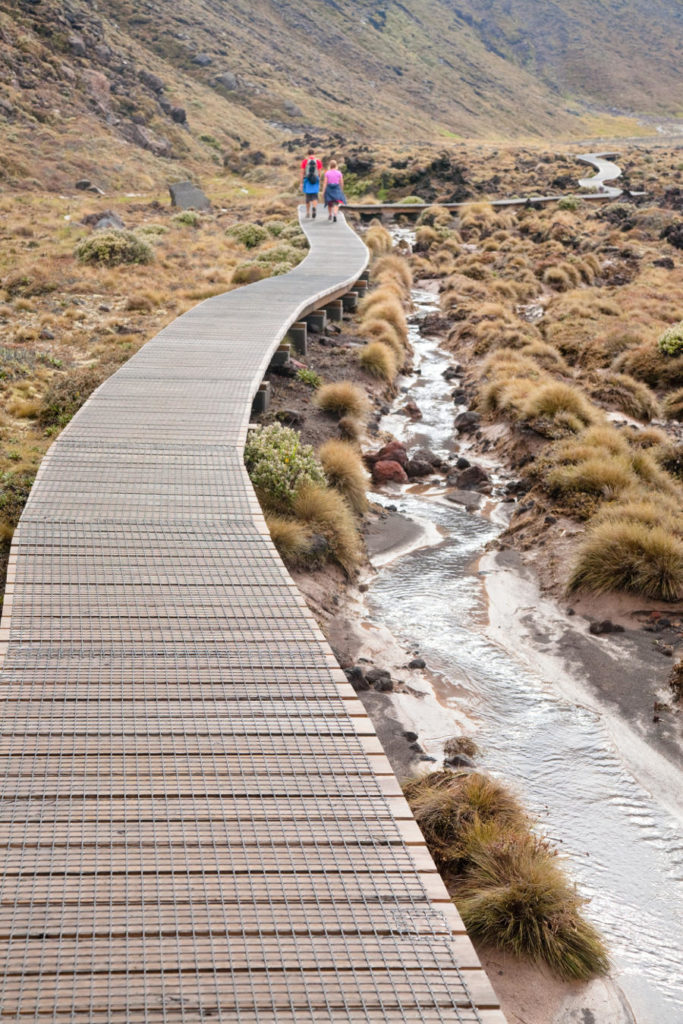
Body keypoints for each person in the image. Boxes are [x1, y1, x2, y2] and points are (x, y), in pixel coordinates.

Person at [300, 149, 322, 218]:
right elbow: (319, 172)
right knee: (315, 196)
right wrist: (319, 180)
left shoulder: (305, 161)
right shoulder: (318, 161)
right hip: (315, 180)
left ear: (308, 154)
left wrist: (301, 183)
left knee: (308, 197)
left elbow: (302, 173)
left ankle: (307, 212)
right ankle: (314, 208)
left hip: (307, 180)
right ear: (314, 153)